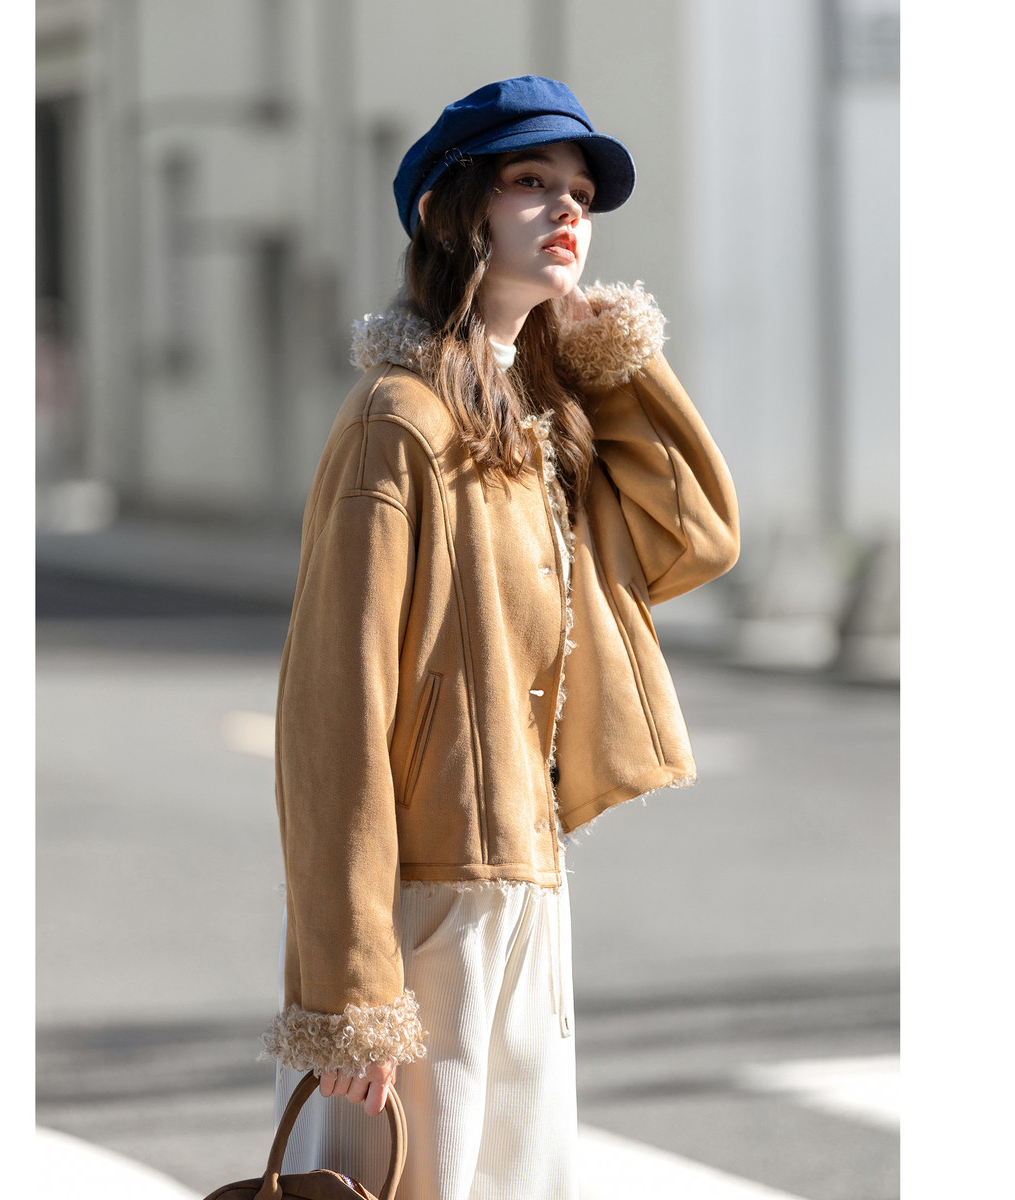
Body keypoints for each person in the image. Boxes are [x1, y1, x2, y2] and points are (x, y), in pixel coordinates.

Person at [259, 75, 739, 1200]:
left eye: (582, 192)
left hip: (527, 886)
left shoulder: (536, 433)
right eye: (532, 180)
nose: (568, 206)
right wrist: (352, 992)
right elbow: (333, 722)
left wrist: (609, 358)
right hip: (425, 911)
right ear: (447, 210)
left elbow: (696, 534)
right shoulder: (397, 426)